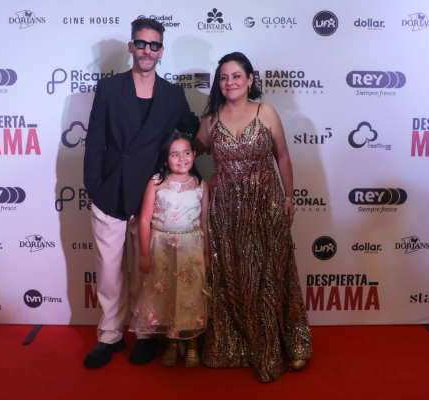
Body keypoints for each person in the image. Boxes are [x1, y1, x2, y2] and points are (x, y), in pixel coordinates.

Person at [83, 18, 199, 369]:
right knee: (109, 271)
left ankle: (145, 333)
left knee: (145, 270)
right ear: (131, 47)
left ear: (161, 51)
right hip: (111, 193)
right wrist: (95, 186)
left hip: (151, 196)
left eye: (154, 45)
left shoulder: (173, 95)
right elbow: (94, 142)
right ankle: (109, 336)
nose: (147, 50)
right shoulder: (109, 89)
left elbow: (191, 129)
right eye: (141, 43)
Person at [194, 52, 312, 383]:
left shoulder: (267, 112)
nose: (229, 82)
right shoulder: (211, 118)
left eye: (235, 76)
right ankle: (236, 347)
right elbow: (193, 148)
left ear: (249, 80)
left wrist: (289, 197)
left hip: (266, 205)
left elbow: (283, 156)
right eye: (223, 77)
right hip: (225, 210)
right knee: (231, 275)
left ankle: (288, 345)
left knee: (270, 274)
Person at [129, 132, 209, 368]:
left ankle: (193, 343)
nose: (182, 158)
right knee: (166, 296)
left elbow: (205, 223)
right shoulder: (156, 182)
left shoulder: (200, 185)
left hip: (191, 250)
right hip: (162, 250)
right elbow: (144, 220)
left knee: (191, 296)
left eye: (186, 152)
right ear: (165, 160)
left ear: (194, 154)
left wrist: (206, 254)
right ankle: (172, 344)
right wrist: (144, 253)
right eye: (175, 154)